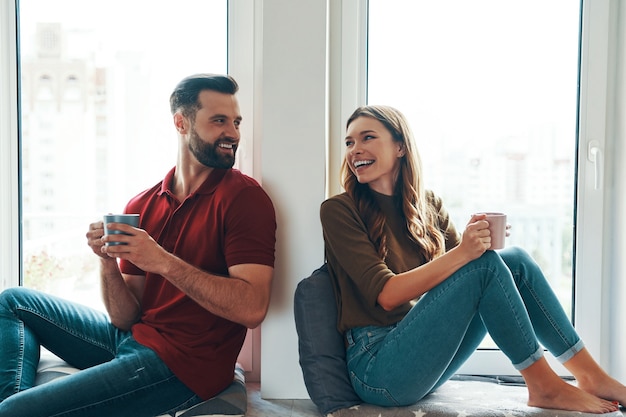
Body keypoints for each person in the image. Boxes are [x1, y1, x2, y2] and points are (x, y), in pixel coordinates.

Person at [320, 104, 626, 414]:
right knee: (485, 267)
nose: (355, 150)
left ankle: (591, 375)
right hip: (378, 368)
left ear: (400, 146)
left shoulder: (428, 205)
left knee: (514, 260)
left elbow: (467, 271)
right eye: (349, 142)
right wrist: (467, 252)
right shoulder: (339, 210)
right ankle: (543, 385)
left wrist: (480, 241)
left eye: (367, 138)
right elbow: (387, 296)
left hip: (424, 357)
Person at [0, 73, 277, 416]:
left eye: (235, 122)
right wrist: (105, 262)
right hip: (135, 339)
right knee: (13, 301)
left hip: (182, 367)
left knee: (16, 412)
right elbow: (125, 318)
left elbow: (252, 309)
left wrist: (162, 261)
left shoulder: (245, 199)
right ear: (181, 123)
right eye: (219, 121)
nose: (233, 133)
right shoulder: (142, 205)